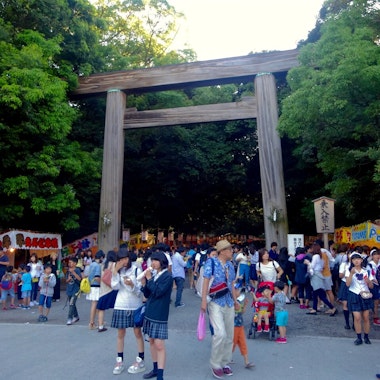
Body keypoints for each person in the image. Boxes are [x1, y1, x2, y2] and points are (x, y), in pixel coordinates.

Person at [200, 239, 237, 379]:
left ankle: (225, 362)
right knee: (220, 333)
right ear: (222, 251)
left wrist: (235, 300)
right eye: (230, 249)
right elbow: (205, 280)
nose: (232, 252)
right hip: (215, 302)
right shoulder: (211, 262)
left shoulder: (231, 265)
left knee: (229, 334)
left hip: (228, 301)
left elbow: (232, 284)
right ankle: (215, 363)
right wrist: (203, 300)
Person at [110, 248, 145, 376]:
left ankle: (140, 360)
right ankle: (119, 361)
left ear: (129, 258)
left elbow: (140, 292)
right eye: (120, 260)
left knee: (137, 332)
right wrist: (114, 272)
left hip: (135, 305)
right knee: (120, 333)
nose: (123, 262)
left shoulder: (137, 269)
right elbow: (115, 287)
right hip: (121, 304)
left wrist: (132, 285)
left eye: (125, 259)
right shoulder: (118, 270)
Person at [140, 251, 173, 380]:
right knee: (152, 341)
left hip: (159, 313)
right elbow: (148, 294)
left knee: (159, 344)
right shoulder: (155, 275)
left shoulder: (167, 277)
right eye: (151, 260)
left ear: (162, 262)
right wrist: (144, 284)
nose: (152, 263)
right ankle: (155, 369)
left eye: (155, 260)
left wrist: (149, 279)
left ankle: (160, 374)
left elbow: (158, 292)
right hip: (150, 311)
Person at [346, 251, 374, 345]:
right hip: (354, 294)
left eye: (358, 259)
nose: (356, 261)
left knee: (366, 317)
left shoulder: (367, 270)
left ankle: (366, 336)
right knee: (357, 317)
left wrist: (368, 281)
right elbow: (347, 284)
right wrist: (351, 273)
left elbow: (371, 287)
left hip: (365, 294)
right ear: (352, 261)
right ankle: (359, 337)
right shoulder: (349, 270)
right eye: (354, 259)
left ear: (361, 260)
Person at [304, 243, 337, 316]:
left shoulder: (315, 256)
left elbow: (312, 266)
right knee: (315, 293)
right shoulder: (320, 255)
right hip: (319, 274)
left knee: (320, 294)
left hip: (316, 275)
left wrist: (308, 263)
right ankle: (314, 308)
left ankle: (332, 307)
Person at [232, 283, 254, 368]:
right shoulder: (231, 301)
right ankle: (226, 359)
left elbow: (241, 312)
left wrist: (244, 305)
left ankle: (247, 361)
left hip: (240, 325)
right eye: (237, 290)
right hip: (233, 326)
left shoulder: (239, 301)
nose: (239, 292)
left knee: (242, 343)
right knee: (232, 344)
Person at [97, 250, 118, 332]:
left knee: (101, 309)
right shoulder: (114, 265)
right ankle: (117, 323)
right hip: (112, 289)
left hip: (103, 290)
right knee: (117, 307)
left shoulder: (103, 265)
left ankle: (100, 326)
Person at [86, 250, 103, 330]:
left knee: (94, 304)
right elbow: (97, 277)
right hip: (96, 286)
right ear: (101, 257)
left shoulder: (91, 264)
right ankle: (92, 322)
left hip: (90, 286)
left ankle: (93, 322)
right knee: (95, 305)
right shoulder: (97, 266)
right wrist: (102, 283)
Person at [337, 246, 351, 329]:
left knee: (353, 305)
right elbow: (340, 275)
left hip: (354, 285)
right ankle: (347, 323)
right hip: (345, 284)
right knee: (345, 304)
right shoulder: (344, 264)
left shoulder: (359, 265)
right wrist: (346, 271)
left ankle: (354, 323)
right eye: (349, 254)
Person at [65, 257, 82, 325]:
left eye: (71, 262)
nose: (69, 264)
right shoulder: (68, 271)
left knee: (71, 303)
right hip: (69, 289)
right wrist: (68, 279)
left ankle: (70, 318)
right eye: (69, 262)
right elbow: (66, 280)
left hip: (76, 290)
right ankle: (76, 316)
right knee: (72, 304)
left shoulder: (77, 270)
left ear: (75, 263)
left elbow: (79, 279)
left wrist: (73, 273)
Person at [367, 248, 380, 326]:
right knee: (374, 301)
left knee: (376, 301)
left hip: (378, 285)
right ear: (372, 256)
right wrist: (374, 281)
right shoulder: (370, 265)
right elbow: (370, 275)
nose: (377, 256)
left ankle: (375, 316)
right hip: (373, 285)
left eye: (378, 254)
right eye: (375, 254)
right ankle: (372, 316)